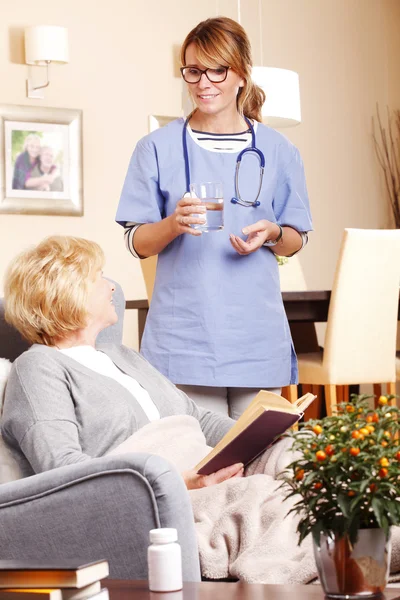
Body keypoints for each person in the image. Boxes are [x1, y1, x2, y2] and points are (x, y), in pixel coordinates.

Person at [115, 17, 313, 420]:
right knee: (202, 464)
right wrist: (173, 224)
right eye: (193, 70)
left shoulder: (279, 150)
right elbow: (136, 242)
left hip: (255, 335)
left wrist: (274, 232)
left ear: (241, 74)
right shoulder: (155, 147)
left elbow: (296, 237)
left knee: (263, 460)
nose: (203, 83)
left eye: (216, 70)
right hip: (185, 338)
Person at [1, 236, 243, 490]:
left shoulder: (123, 355)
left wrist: (261, 436)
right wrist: (179, 483)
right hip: (155, 496)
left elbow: (197, 419)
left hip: (201, 475)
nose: (112, 288)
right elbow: (62, 467)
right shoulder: (38, 367)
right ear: (68, 291)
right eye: (99, 277)